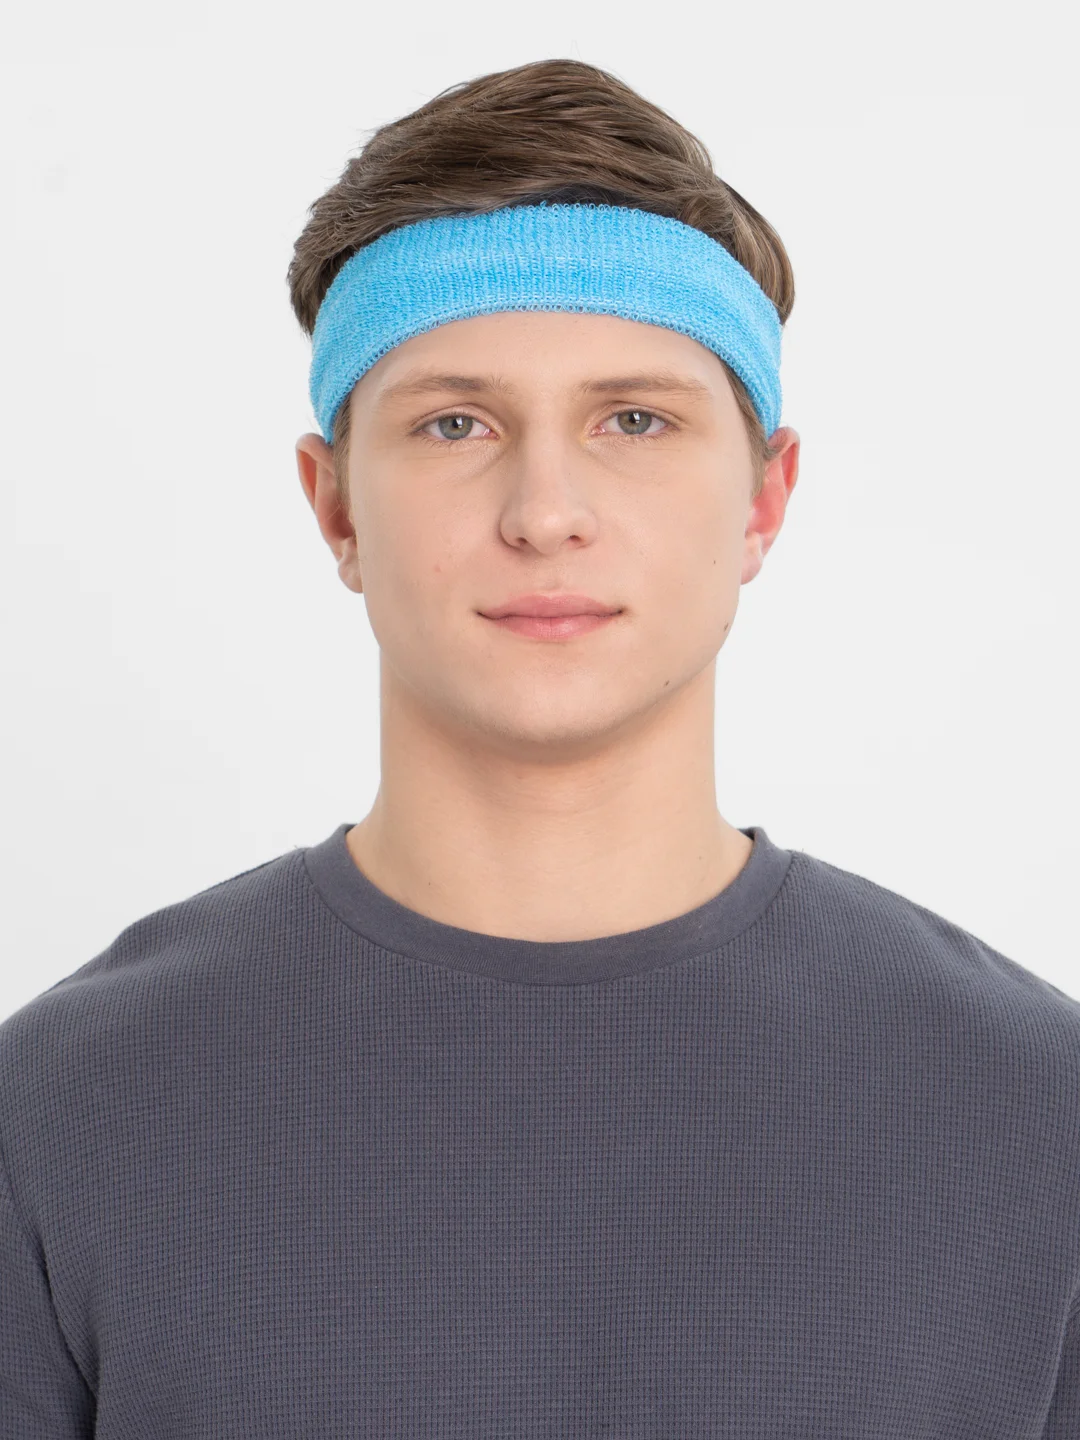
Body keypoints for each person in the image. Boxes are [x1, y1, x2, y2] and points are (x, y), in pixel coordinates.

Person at [2, 57, 1078, 1439]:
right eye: (455, 423)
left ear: (765, 500)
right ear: (336, 508)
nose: (546, 510)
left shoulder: (1033, 1109)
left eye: (635, 419)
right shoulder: (66, 1108)